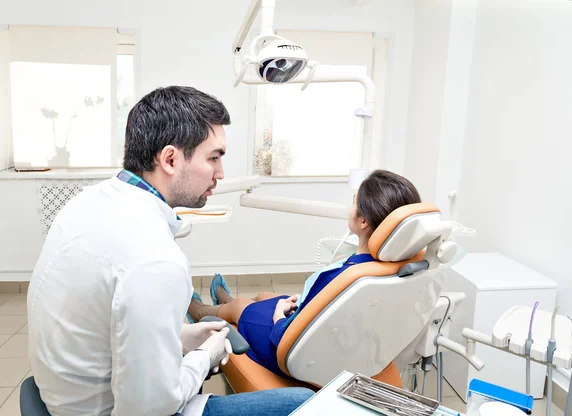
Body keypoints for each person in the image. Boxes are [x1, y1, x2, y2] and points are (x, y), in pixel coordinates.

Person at [27, 86, 313, 416]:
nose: (220, 173)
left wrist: (179, 338)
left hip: (63, 395)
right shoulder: (155, 259)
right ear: (170, 159)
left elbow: (107, 323)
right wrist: (203, 357)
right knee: (302, 405)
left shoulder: (85, 204)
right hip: (109, 410)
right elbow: (149, 409)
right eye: (214, 157)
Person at [188, 170, 421, 378]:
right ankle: (226, 304)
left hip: (294, 353)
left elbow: (285, 337)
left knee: (242, 305)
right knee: (264, 295)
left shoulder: (351, 277)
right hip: (336, 337)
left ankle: (204, 312)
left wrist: (279, 316)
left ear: (363, 220)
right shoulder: (397, 269)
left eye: (353, 202)